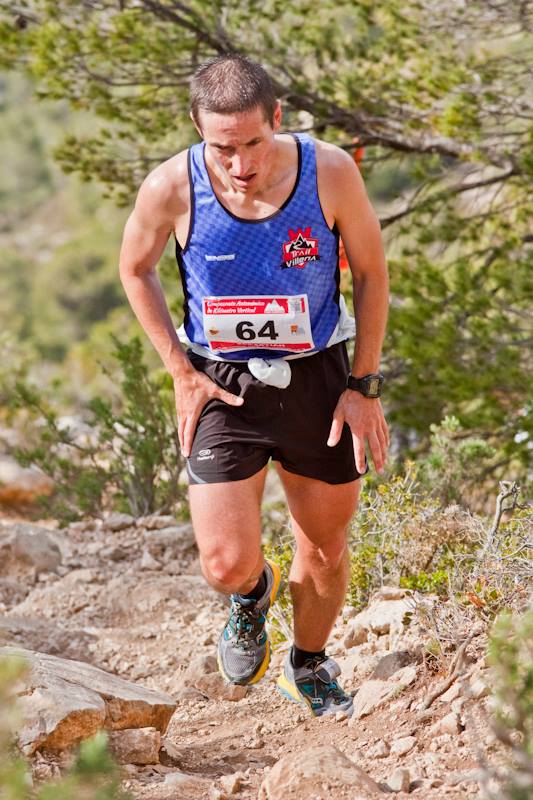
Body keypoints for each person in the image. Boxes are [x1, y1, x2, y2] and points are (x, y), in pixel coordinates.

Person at [119, 54, 389, 717]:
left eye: (252, 143)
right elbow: (135, 268)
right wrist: (181, 373)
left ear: (277, 118)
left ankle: (309, 664)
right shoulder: (171, 188)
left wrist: (362, 385)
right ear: (195, 127)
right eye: (222, 147)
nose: (239, 164)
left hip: (318, 377)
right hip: (222, 383)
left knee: (324, 545)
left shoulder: (328, 172)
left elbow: (372, 277)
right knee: (223, 563)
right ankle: (252, 594)